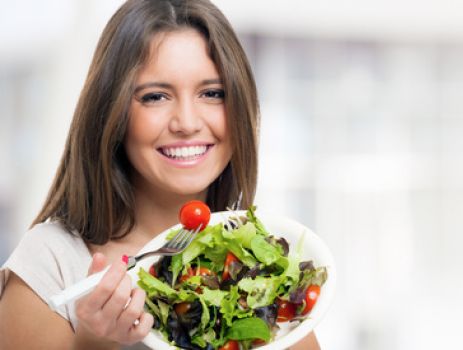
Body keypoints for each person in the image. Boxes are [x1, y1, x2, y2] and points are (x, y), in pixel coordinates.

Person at [0, 0, 320, 349]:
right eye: (155, 96)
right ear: (113, 112)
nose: (186, 122)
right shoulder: (52, 261)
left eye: (212, 94)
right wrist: (95, 341)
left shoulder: (259, 264)